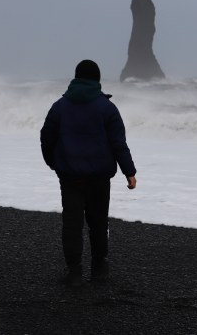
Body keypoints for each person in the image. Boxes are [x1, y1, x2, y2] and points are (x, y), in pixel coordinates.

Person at [40, 59, 137, 286]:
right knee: (98, 222)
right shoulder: (107, 108)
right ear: (97, 80)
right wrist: (129, 172)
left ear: (75, 78)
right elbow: (118, 144)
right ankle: (99, 268)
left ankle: (74, 272)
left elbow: (46, 137)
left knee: (72, 224)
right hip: (99, 176)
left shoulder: (59, 107)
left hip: (70, 175)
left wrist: (52, 162)